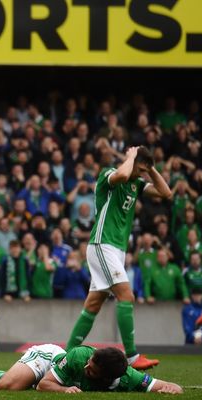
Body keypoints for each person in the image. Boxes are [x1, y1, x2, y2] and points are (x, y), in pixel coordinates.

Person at [66, 146, 171, 370]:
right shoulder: (109, 174)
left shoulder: (137, 183)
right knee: (126, 295)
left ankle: (64, 357)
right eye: (140, 169)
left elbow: (166, 193)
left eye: (144, 171)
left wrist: (151, 169)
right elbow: (123, 174)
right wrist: (131, 157)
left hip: (116, 249)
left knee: (93, 304)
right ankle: (132, 357)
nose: (140, 174)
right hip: (102, 243)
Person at [0, 346, 182, 394]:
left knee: (10, 380)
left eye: (92, 370)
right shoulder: (78, 358)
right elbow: (44, 385)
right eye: (88, 363)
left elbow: (171, 387)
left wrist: (169, 391)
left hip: (59, 375)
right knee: (10, 385)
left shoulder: (129, 378)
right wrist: (64, 390)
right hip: (49, 360)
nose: (86, 367)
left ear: (109, 377)